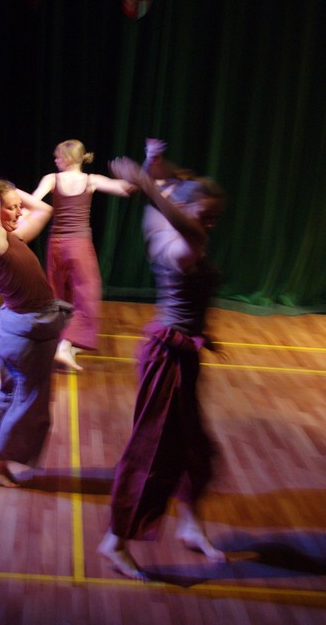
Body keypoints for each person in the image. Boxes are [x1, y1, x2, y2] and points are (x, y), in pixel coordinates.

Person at [98, 156, 226, 580]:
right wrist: (150, 184)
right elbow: (188, 226)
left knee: (197, 452)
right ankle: (115, 541)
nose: (210, 225)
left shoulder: (163, 221)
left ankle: (190, 525)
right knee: (152, 453)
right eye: (205, 215)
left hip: (184, 354)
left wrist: (153, 170)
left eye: (215, 218)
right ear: (184, 210)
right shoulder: (180, 243)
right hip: (164, 358)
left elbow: (171, 198)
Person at [0, 163, 72, 486]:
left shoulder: (12, 237)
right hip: (29, 334)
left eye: (18, 206)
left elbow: (44, 209)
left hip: (17, 330)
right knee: (29, 404)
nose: (20, 212)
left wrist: (9, 192)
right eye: (11, 208)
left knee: (7, 395)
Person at [32, 139, 134, 371]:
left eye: (58, 156)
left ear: (68, 158)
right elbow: (124, 188)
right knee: (86, 295)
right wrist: (148, 178)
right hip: (79, 246)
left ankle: (63, 343)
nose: (55, 160)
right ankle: (64, 345)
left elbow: (33, 201)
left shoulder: (51, 179)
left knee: (60, 294)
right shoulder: (91, 180)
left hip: (56, 245)